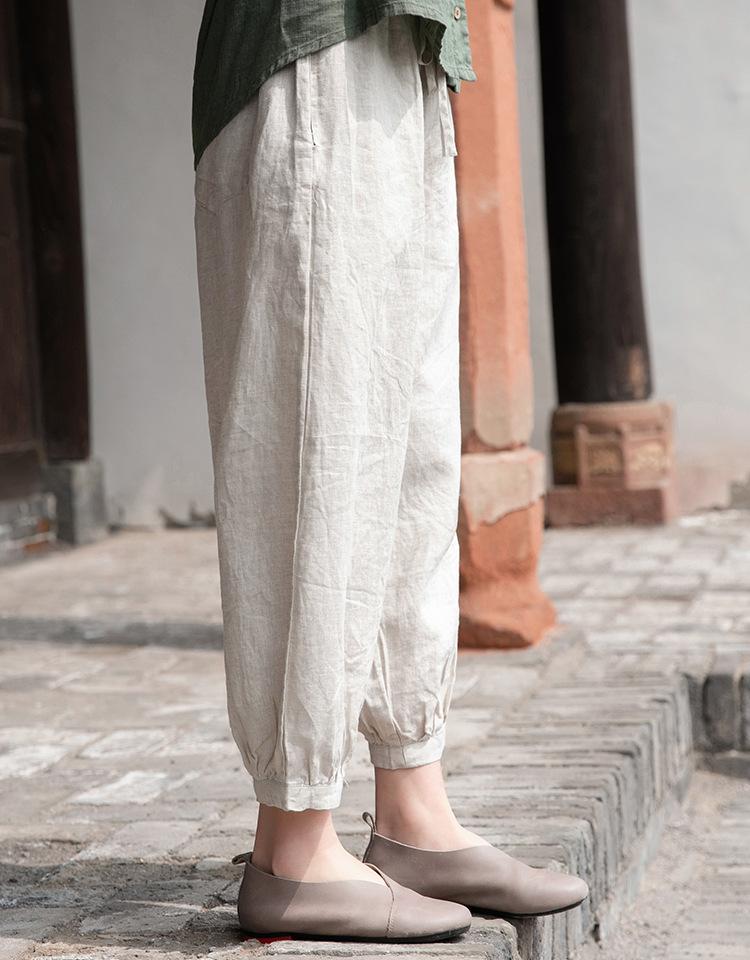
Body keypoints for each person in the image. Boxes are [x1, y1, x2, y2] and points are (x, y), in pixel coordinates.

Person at [192, 0, 588, 942]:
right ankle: (292, 847)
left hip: (410, 52)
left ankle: (415, 813)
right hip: (306, 46)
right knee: (317, 451)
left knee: (410, 456)